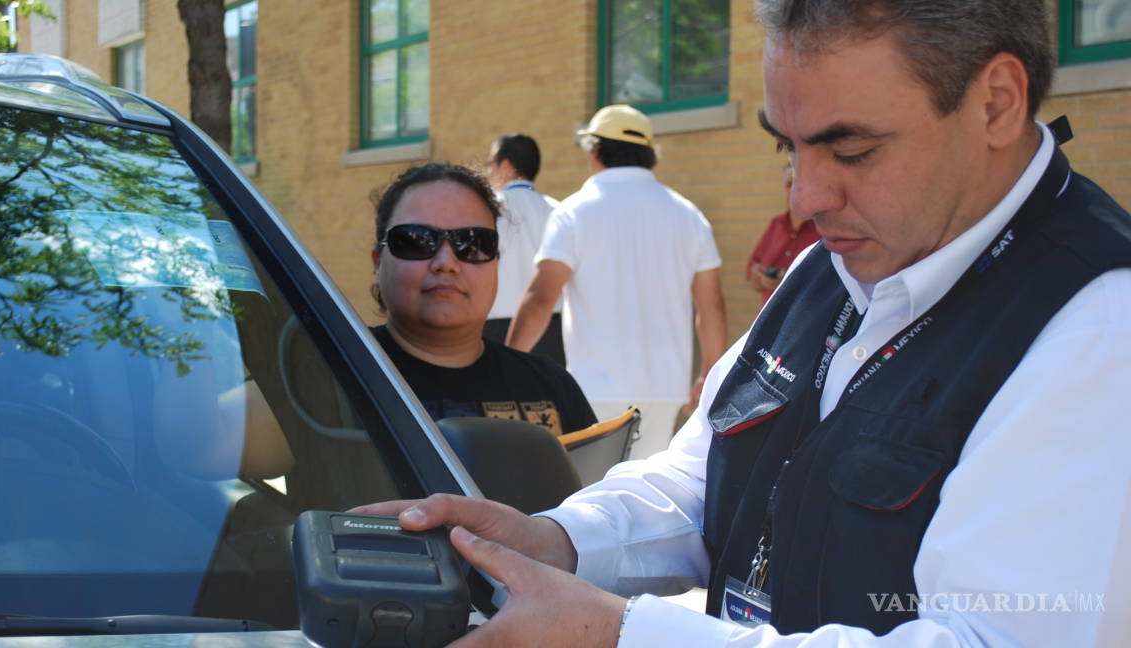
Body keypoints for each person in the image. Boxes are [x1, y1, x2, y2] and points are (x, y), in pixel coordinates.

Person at [355, 0, 1131, 646]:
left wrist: (624, 634)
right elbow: (710, 474)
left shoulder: (1098, 326)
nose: (807, 199)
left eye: (851, 149)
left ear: (996, 102)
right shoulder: (835, 263)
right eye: (787, 148)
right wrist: (554, 541)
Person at [507, 104, 728, 460]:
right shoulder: (688, 214)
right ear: (649, 155)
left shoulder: (575, 211)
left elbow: (540, 298)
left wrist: (510, 364)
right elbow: (711, 303)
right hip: (665, 384)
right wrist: (709, 374)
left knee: (592, 494)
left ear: (594, 151)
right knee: (646, 491)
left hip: (595, 385)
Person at [369, 162, 595, 435]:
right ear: (377, 262)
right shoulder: (331, 370)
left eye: (473, 243)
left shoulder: (553, 387)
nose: (446, 263)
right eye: (417, 240)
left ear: (496, 263)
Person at [483, 134, 566, 366]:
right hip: (553, 328)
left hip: (496, 326)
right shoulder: (558, 211)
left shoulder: (487, 210)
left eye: (491, 164)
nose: (489, 172)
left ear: (506, 166)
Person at [745, 163, 820, 302]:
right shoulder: (776, 224)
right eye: (789, 184)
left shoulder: (824, 227)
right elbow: (751, 273)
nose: (794, 190)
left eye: (799, 183)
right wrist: (760, 277)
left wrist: (789, 282)